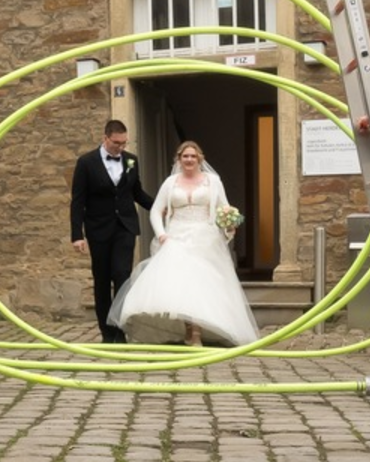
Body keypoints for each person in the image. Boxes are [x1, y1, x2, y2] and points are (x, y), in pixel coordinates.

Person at [108, 141, 259, 347]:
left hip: (205, 238)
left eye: (193, 156)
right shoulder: (171, 183)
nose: (189, 160)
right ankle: (191, 331)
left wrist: (229, 224)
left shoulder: (213, 182)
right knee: (181, 285)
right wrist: (161, 234)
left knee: (200, 285)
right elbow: (155, 210)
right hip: (176, 236)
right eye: (185, 156)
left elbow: (225, 208)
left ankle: (195, 332)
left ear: (199, 159)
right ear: (179, 159)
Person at [70, 120, 155, 343]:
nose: (120, 147)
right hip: (98, 229)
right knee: (102, 279)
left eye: (124, 143)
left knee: (122, 276)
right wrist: (77, 235)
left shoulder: (131, 161)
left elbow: (138, 194)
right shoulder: (86, 162)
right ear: (105, 138)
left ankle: (121, 329)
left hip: (125, 227)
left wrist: (162, 207)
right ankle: (107, 333)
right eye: (116, 143)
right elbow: (78, 201)